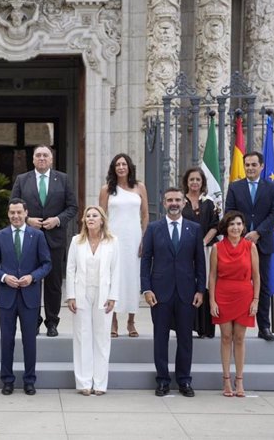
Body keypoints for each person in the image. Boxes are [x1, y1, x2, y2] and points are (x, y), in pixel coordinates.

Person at [140, 187, 206, 397]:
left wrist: (200, 290)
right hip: (160, 293)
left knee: (185, 338)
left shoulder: (194, 229)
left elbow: (200, 263)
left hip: (187, 292)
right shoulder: (153, 228)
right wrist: (146, 288)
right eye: (170, 200)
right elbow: (146, 260)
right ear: (163, 203)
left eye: (177, 199)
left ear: (184, 202)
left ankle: (184, 380)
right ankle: (162, 380)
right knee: (160, 338)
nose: (174, 203)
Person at [11, 145, 78, 337]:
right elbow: (13, 204)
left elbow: (72, 207)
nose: (41, 158)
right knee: (31, 281)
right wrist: (27, 219)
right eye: (38, 155)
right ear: (32, 159)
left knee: (53, 283)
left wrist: (57, 220)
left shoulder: (63, 179)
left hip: (54, 239)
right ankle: (34, 320)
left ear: (51, 159)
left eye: (45, 155)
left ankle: (52, 322)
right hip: (29, 239)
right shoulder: (22, 180)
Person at [0, 198, 51, 396]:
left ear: (26, 213)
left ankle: (29, 380)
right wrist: (5, 277)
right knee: (7, 340)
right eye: (12, 213)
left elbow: (46, 264)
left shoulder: (37, 235)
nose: (15, 216)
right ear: (8, 214)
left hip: (29, 296)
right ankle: (7, 380)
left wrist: (32, 277)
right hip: (6, 296)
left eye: (19, 212)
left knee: (29, 341)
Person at [224, 151, 274, 342]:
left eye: (253, 165)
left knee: (262, 284)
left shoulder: (271, 188)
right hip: (238, 243)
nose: (250, 168)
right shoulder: (235, 187)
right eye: (247, 165)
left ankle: (264, 326)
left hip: (262, 243)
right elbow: (229, 212)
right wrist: (241, 233)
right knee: (236, 284)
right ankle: (234, 324)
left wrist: (258, 233)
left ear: (261, 166)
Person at [65, 206, 120, 396]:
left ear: (102, 220)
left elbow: (116, 271)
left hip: (103, 294)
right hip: (81, 293)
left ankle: (100, 383)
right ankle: (84, 382)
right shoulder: (76, 241)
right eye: (87, 216)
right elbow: (70, 269)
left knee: (102, 337)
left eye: (94, 216)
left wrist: (113, 296)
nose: (90, 218)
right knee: (82, 336)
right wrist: (70, 295)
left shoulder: (112, 242)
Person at [209, 211, 260, 397]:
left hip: (244, 295)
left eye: (239, 224)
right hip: (223, 294)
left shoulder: (250, 247)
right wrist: (212, 300)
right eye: (232, 224)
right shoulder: (217, 248)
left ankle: (239, 381)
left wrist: (256, 300)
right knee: (225, 337)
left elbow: (256, 276)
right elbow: (212, 276)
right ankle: (226, 381)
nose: (235, 228)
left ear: (243, 226)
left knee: (239, 338)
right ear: (226, 227)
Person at [99, 153, 148, 338]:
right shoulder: (106, 189)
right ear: (113, 168)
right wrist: (102, 239)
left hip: (134, 238)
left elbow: (144, 215)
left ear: (129, 167)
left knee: (132, 278)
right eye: (118, 164)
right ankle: (113, 321)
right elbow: (101, 216)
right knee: (113, 278)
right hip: (113, 238)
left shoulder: (139, 187)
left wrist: (144, 238)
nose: (121, 167)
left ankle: (131, 321)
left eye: (124, 164)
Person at [181, 167, 219, 338]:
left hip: (206, 250)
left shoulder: (209, 202)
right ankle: (188, 326)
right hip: (185, 251)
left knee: (206, 285)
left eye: (198, 179)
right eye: (191, 179)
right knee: (188, 285)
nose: (194, 182)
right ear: (186, 182)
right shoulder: (181, 202)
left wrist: (203, 242)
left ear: (203, 182)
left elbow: (215, 225)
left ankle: (205, 328)